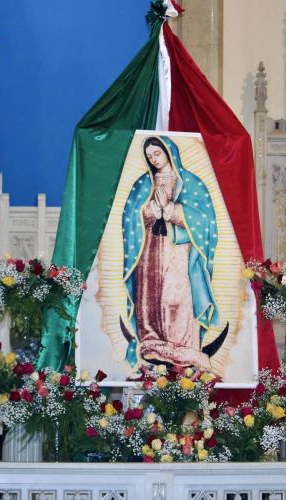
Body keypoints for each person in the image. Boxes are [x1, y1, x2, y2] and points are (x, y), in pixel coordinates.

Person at [122, 136, 221, 370]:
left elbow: (205, 219)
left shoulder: (190, 182)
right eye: (149, 156)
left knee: (176, 295)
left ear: (168, 151)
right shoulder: (143, 184)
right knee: (150, 294)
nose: (154, 159)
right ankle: (152, 340)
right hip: (149, 249)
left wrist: (173, 211)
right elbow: (129, 217)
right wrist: (149, 210)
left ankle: (184, 345)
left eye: (157, 153)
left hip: (178, 248)